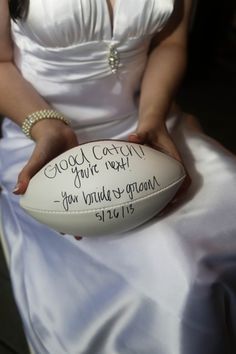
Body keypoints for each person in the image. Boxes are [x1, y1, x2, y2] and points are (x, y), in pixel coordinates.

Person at [0, 0, 236, 353]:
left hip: (145, 123)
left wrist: (153, 118)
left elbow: (170, 44)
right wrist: (45, 125)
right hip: (44, 136)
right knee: (177, 274)